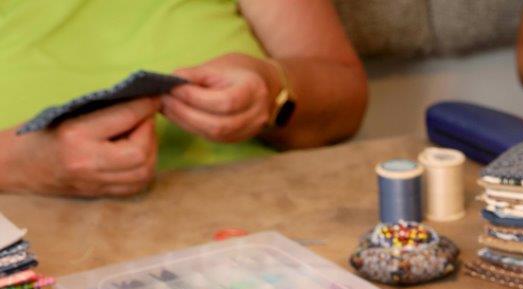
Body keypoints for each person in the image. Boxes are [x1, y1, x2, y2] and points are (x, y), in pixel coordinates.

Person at [0, 0, 367, 198]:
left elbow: (347, 100)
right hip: (33, 260)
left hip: (252, 224)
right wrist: (17, 165)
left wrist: (271, 90)